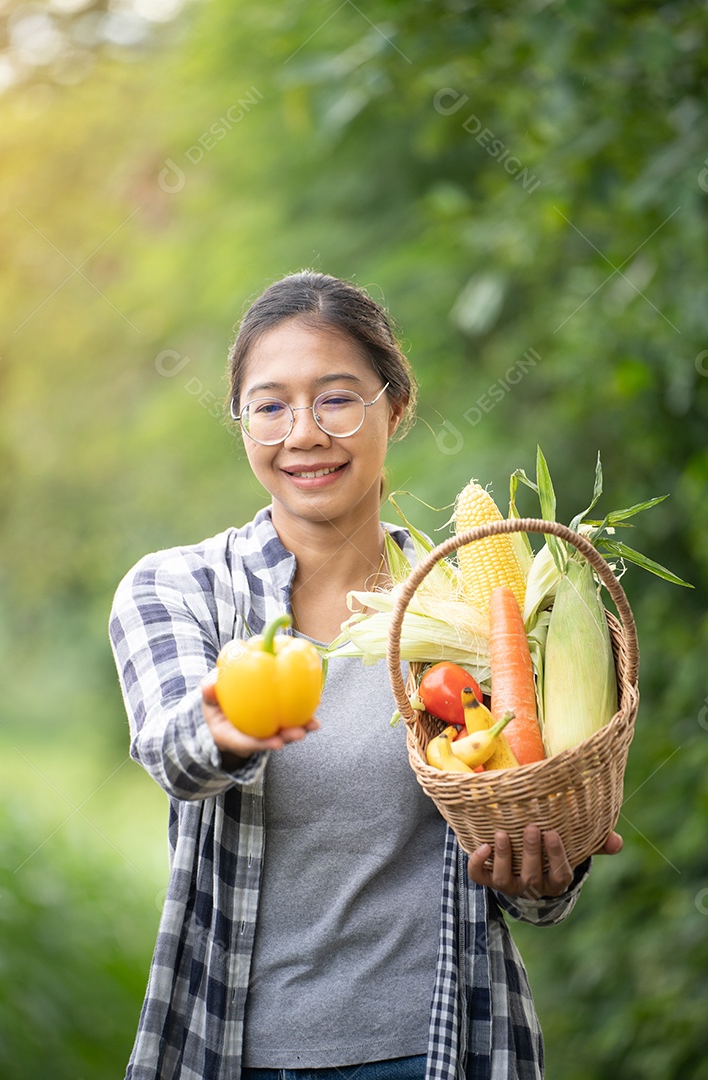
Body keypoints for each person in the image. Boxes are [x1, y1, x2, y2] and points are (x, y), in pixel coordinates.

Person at [109, 270, 621, 1080]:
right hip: (231, 1050)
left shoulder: (477, 603)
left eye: (337, 398)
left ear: (397, 405)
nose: (303, 433)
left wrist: (549, 864)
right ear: (241, 422)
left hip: (447, 1047)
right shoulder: (179, 588)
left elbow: (533, 863)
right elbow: (172, 753)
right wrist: (225, 724)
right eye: (269, 405)